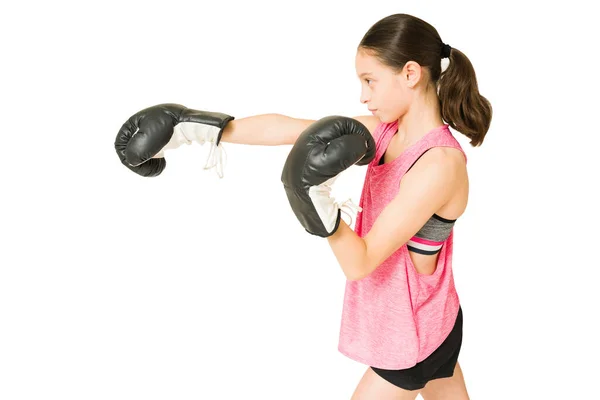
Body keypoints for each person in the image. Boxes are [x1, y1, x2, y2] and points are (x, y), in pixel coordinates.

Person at [115, 12, 491, 400]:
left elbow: (360, 262)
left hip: (411, 334)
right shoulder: (385, 133)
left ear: (410, 74)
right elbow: (288, 128)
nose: (364, 95)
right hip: (428, 316)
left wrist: (317, 200)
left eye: (370, 81)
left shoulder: (438, 166)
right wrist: (196, 126)